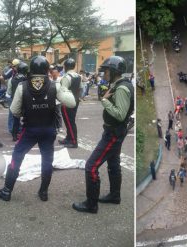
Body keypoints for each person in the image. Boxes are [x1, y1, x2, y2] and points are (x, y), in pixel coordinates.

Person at [0, 56, 76, 202]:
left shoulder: (22, 86)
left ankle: (7, 191)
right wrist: (63, 87)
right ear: (46, 69)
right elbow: (71, 103)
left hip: (30, 130)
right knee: (47, 161)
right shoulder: (54, 86)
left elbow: (15, 111)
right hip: (48, 131)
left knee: (17, 158)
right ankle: (43, 192)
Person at [72, 56, 134, 214]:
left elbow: (120, 114)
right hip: (114, 131)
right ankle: (115, 195)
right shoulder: (119, 85)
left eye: (105, 71)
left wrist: (105, 102)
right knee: (113, 164)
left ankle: (91, 204)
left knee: (91, 166)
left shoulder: (121, 88)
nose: (103, 74)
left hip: (114, 133)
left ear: (113, 71)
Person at [58, 58, 81, 148]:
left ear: (65, 67)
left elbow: (63, 91)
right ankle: (68, 138)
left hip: (67, 102)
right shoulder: (78, 76)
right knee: (70, 121)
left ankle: (73, 141)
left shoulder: (66, 77)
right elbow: (80, 88)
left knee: (69, 122)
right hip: (76, 100)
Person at [7, 62, 28, 141]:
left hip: (15, 100)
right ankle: (24, 134)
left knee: (16, 119)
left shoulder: (13, 77)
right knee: (26, 118)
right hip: (24, 100)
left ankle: (14, 135)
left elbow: (9, 91)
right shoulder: (25, 78)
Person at [50, 65, 63, 133]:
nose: (54, 74)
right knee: (52, 114)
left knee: (58, 113)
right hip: (51, 101)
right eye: (53, 73)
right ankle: (54, 127)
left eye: (56, 73)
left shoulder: (61, 80)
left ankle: (60, 126)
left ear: (58, 73)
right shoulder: (50, 81)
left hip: (58, 100)